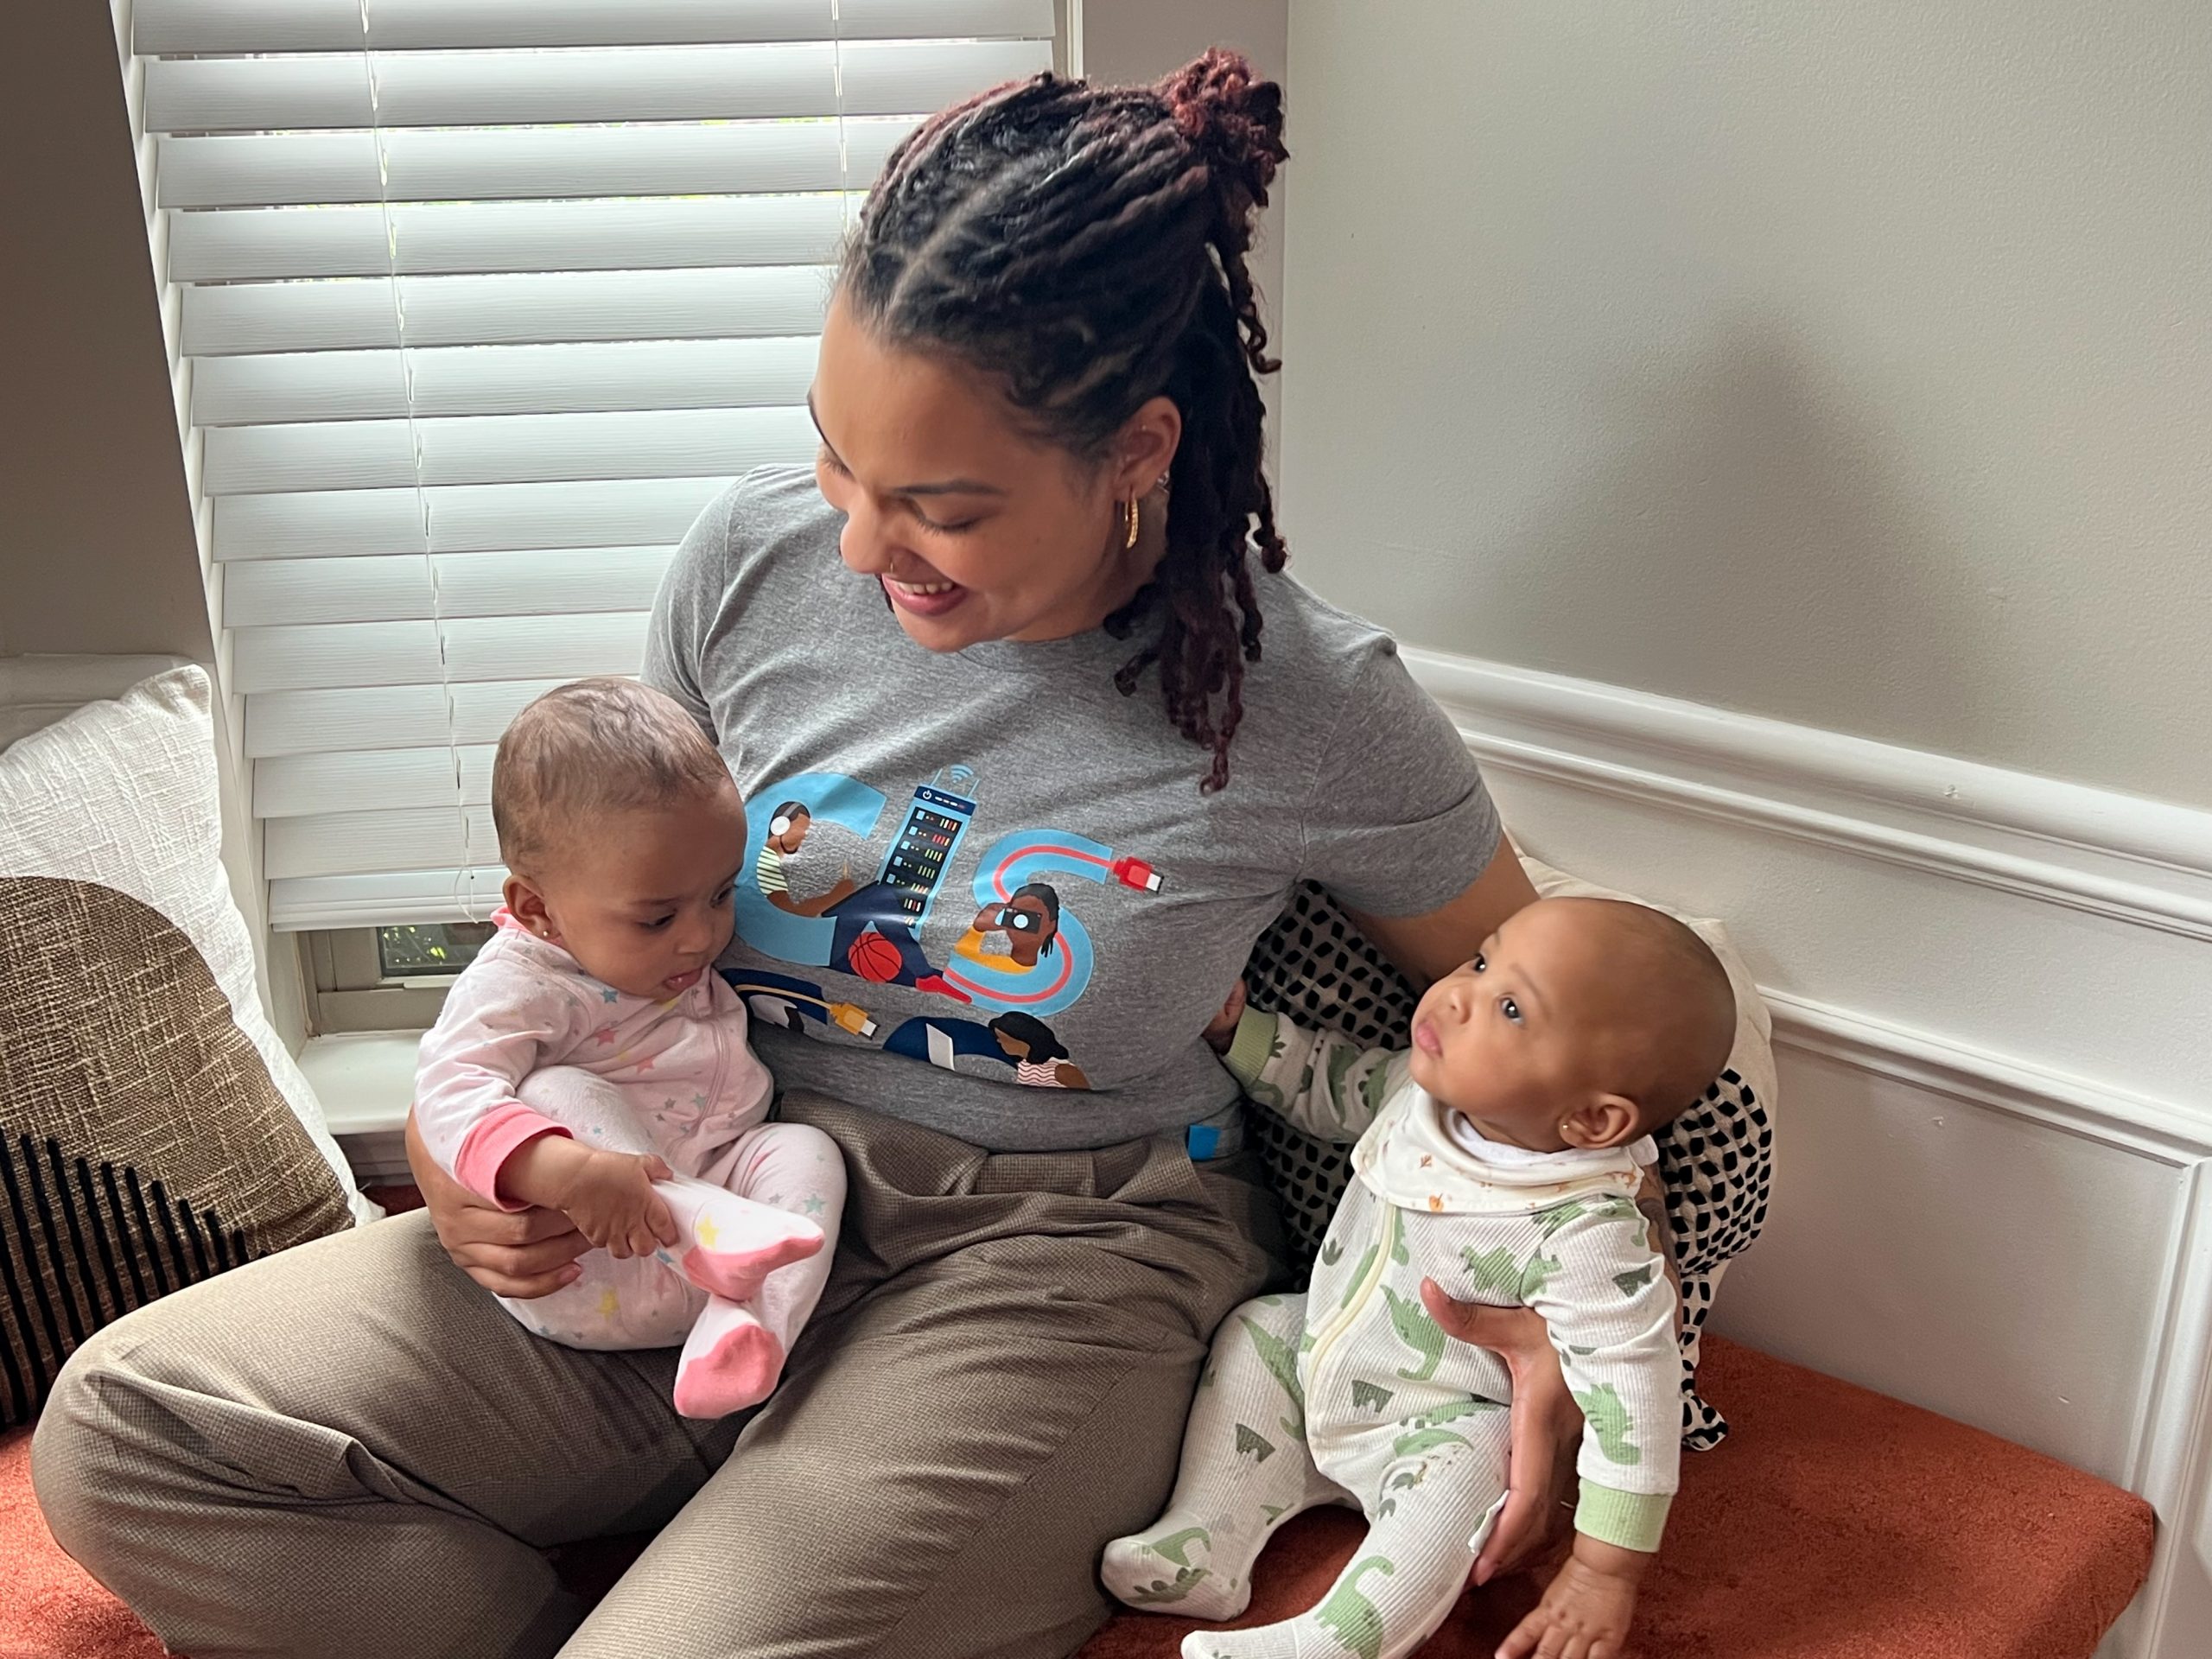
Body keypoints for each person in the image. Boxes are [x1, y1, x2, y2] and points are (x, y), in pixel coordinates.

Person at [35, 51, 1601, 1659]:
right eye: (837, 460)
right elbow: (587, 900)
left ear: (1137, 449)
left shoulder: (1315, 706)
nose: (856, 544)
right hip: (697, 1177)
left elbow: (1574, 1027)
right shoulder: (752, 557)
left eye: (937, 505)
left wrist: (1559, 1320)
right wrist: (464, 1143)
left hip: (1056, 1256)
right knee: (133, 1429)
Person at [1104, 897, 1735, 1659]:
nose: (1458, 994)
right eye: (1481, 960)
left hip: (1438, 1422)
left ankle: (1335, 1641)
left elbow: (1634, 1401)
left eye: (1509, 1007)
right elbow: (1332, 1083)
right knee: (1260, 1327)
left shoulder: (1586, 1231)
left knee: (1475, 1457)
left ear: (1592, 1123)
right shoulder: (1425, 1092)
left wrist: (1606, 1570)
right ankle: (1203, 1539)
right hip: (1324, 1366)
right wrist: (1240, 1035)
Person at [412, 679, 841, 1421]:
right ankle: (701, 1229)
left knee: (806, 1151)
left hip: (738, 1243)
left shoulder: (658, 915)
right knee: (555, 1093)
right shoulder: (520, 982)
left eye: (720, 894)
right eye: (656, 919)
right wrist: (563, 1170)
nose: (702, 937)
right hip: (605, 1262)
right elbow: (448, 1090)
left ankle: (750, 1334)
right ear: (537, 910)